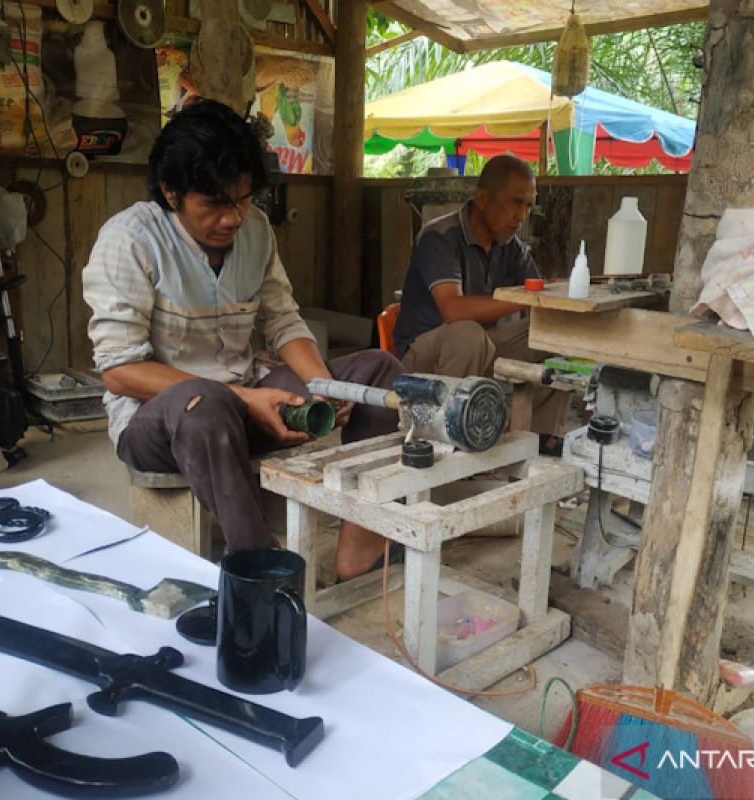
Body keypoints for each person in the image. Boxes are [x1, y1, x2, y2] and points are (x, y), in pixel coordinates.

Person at [83, 100, 401, 581]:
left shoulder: (255, 232)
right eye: (214, 203)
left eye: (243, 199)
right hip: (164, 426)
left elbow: (285, 322)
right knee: (203, 401)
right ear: (171, 193)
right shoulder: (129, 240)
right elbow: (119, 369)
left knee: (377, 370)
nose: (233, 218)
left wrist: (323, 385)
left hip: (249, 403)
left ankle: (360, 546)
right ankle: (261, 569)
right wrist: (245, 398)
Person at [392, 155, 568, 450]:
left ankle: (537, 438)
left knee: (555, 331)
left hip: (480, 346)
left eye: (528, 205)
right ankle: (448, 435)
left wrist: (563, 290)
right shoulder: (439, 236)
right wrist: (526, 296)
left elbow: (540, 297)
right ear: (482, 198)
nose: (522, 215)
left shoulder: (510, 246)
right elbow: (453, 309)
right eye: (515, 202)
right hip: (422, 358)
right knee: (467, 334)